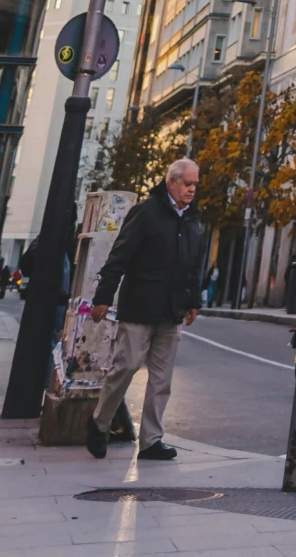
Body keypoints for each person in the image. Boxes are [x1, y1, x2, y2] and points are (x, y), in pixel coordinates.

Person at [83, 158, 206, 464]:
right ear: (171, 182)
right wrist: (103, 297)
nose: (192, 190)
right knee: (125, 366)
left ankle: (152, 440)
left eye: (195, 185)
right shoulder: (146, 213)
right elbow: (120, 255)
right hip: (140, 305)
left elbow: (192, 264)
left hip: (172, 309)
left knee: (161, 379)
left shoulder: (192, 219)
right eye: (187, 184)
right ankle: (99, 423)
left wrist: (193, 301)